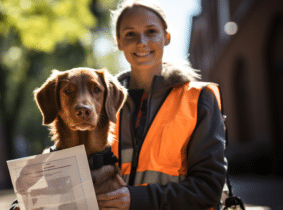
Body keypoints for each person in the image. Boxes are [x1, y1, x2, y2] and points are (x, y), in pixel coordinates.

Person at [96, 0, 227, 209]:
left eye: (151, 31)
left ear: (166, 37)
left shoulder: (198, 99)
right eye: (130, 34)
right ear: (119, 41)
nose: (141, 42)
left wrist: (137, 198)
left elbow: (208, 189)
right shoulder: (101, 104)